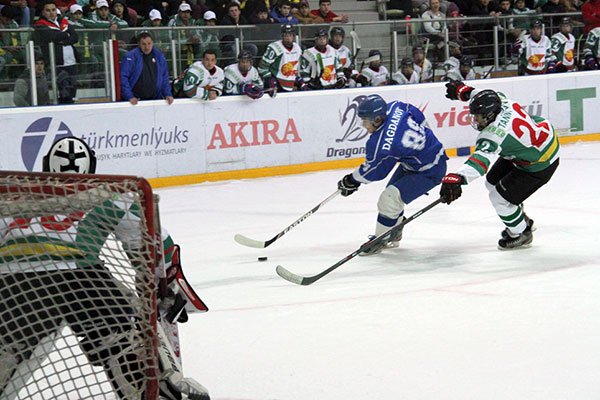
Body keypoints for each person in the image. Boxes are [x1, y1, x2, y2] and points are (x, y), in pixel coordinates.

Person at [0, 136, 211, 400]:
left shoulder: (15, 198)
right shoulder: (109, 194)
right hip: (81, 276)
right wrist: (165, 282)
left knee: (10, 349)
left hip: (13, 281)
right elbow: (153, 243)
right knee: (120, 339)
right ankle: (153, 392)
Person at [441, 81, 560, 249]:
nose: (475, 119)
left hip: (540, 162)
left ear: (490, 115)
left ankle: (521, 233)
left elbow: (479, 162)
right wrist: (463, 91)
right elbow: (481, 94)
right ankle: (518, 215)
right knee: (492, 182)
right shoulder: (502, 101)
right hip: (536, 144)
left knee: (498, 198)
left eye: (478, 116)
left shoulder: (494, 134)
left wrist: (457, 177)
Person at [336, 94, 448, 255]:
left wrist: (351, 180)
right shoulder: (395, 107)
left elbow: (375, 171)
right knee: (392, 200)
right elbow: (413, 110)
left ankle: (380, 239)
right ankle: (394, 230)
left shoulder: (383, 144)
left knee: (389, 199)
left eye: (366, 121)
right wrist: (426, 132)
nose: (363, 125)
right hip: (416, 162)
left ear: (378, 119)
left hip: (430, 170)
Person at [34, 0, 78, 104]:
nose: (51, 13)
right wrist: (66, 35)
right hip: (56, 64)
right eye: (48, 10)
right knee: (63, 91)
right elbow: (53, 37)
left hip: (71, 62)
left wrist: (63, 39)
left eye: (53, 10)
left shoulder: (63, 22)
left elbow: (75, 37)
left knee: (72, 91)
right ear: (43, 12)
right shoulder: (40, 24)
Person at [119, 32, 174, 105]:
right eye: (143, 44)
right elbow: (123, 77)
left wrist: (167, 94)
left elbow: (164, 77)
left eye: (149, 43)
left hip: (155, 99)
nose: (147, 47)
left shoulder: (159, 57)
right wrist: (129, 96)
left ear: (153, 43)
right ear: (138, 44)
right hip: (136, 100)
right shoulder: (130, 57)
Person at [258, 24, 305, 92]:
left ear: (293, 36)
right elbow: (262, 67)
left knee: (303, 85)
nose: (288, 38)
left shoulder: (297, 48)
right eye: (286, 35)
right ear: (282, 36)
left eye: (290, 35)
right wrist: (270, 78)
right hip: (276, 79)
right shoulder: (274, 47)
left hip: (289, 79)